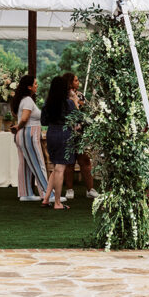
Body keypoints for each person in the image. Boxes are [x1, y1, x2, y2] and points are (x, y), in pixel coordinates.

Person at [61, 72, 97, 201]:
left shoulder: (81, 95)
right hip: (68, 132)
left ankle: (90, 189)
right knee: (69, 162)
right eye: (76, 80)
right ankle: (69, 189)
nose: (78, 82)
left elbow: (87, 110)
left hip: (81, 132)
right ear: (70, 82)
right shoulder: (62, 97)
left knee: (85, 161)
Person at [11, 73, 47, 202]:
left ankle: (25, 193)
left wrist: (17, 127)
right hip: (29, 134)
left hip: (23, 135)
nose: (37, 86)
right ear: (29, 87)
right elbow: (25, 118)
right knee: (38, 164)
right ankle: (48, 194)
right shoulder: (27, 100)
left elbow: (20, 116)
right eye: (35, 84)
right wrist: (19, 126)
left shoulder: (21, 100)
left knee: (25, 164)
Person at [41, 75, 74, 210]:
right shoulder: (68, 103)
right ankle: (58, 202)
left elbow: (44, 122)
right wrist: (75, 99)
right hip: (64, 134)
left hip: (51, 133)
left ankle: (46, 198)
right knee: (60, 169)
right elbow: (76, 119)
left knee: (55, 168)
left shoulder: (47, 104)